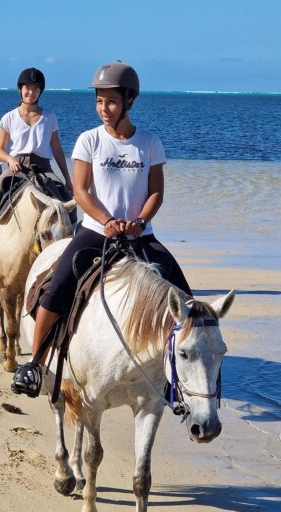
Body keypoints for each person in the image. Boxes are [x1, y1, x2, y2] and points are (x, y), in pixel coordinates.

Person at [11, 61, 193, 398]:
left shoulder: (149, 143)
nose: (103, 109)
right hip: (96, 232)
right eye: (98, 101)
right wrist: (107, 221)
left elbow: (156, 192)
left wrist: (138, 222)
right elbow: (80, 190)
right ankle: (35, 364)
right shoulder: (89, 140)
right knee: (57, 288)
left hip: (141, 235)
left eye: (110, 101)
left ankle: (178, 381)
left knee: (187, 302)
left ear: (129, 101)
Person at [0, 67, 73, 273]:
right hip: (18, 167)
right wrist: (10, 159)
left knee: (68, 203)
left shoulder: (49, 116)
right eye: (26, 88)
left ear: (40, 92)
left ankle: (69, 250)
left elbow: (57, 149)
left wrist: (67, 178)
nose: (30, 93)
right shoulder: (9, 118)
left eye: (35, 89)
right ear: (20, 90)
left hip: (43, 168)